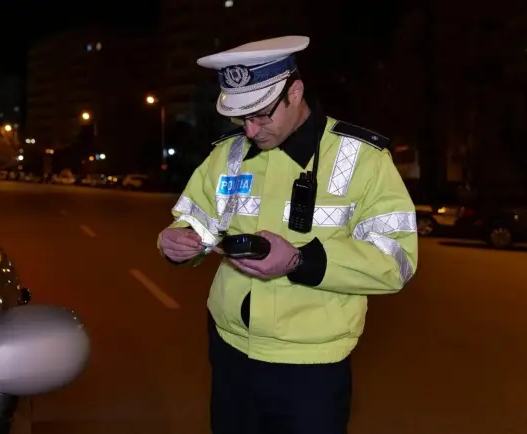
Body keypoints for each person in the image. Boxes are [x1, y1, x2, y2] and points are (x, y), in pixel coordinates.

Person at [157, 35, 418, 434]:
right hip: (230, 353)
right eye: (240, 118)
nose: (250, 130)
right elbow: (198, 220)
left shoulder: (362, 158)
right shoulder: (228, 154)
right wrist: (177, 241)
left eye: (261, 115)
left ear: (294, 92)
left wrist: (299, 260)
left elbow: (396, 261)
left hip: (310, 367)